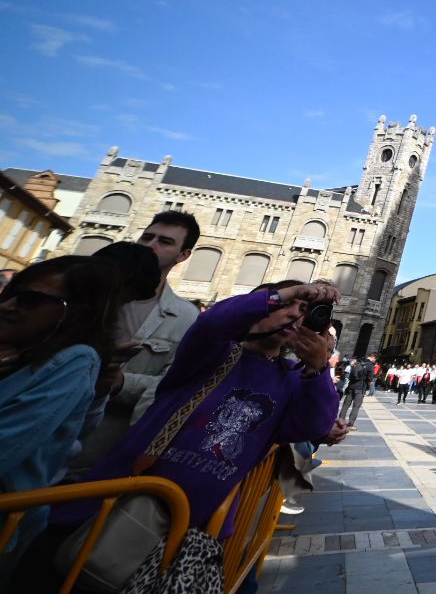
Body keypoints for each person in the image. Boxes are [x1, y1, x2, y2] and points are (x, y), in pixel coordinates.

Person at [28, 279, 340, 586]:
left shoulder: (291, 379)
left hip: (192, 529)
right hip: (112, 505)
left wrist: (318, 369)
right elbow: (215, 323)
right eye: (283, 305)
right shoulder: (212, 352)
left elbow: (313, 426)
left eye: (302, 311)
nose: (292, 314)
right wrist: (292, 291)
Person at [0, 257, 122, 557]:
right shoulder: (19, 352)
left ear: (74, 311)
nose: (7, 306)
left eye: (29, 300)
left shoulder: (75, 360)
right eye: (9, 293)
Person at [71, 212, 204, 473]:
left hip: (101, 450)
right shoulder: (85, 293)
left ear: (183, 255)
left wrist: (119, 382)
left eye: (165, 241)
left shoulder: (186, 317)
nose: (150, 245)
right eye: (147, 236)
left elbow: (173, 384)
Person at [339, 353, 370, 425]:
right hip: (359, 389)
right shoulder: (364, 368)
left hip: (351, 387)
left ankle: (341, 420)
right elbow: (368, 378)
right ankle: (350, 423)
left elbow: (350, 377)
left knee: (346, 405)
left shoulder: (353, 367)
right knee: (356, 407)